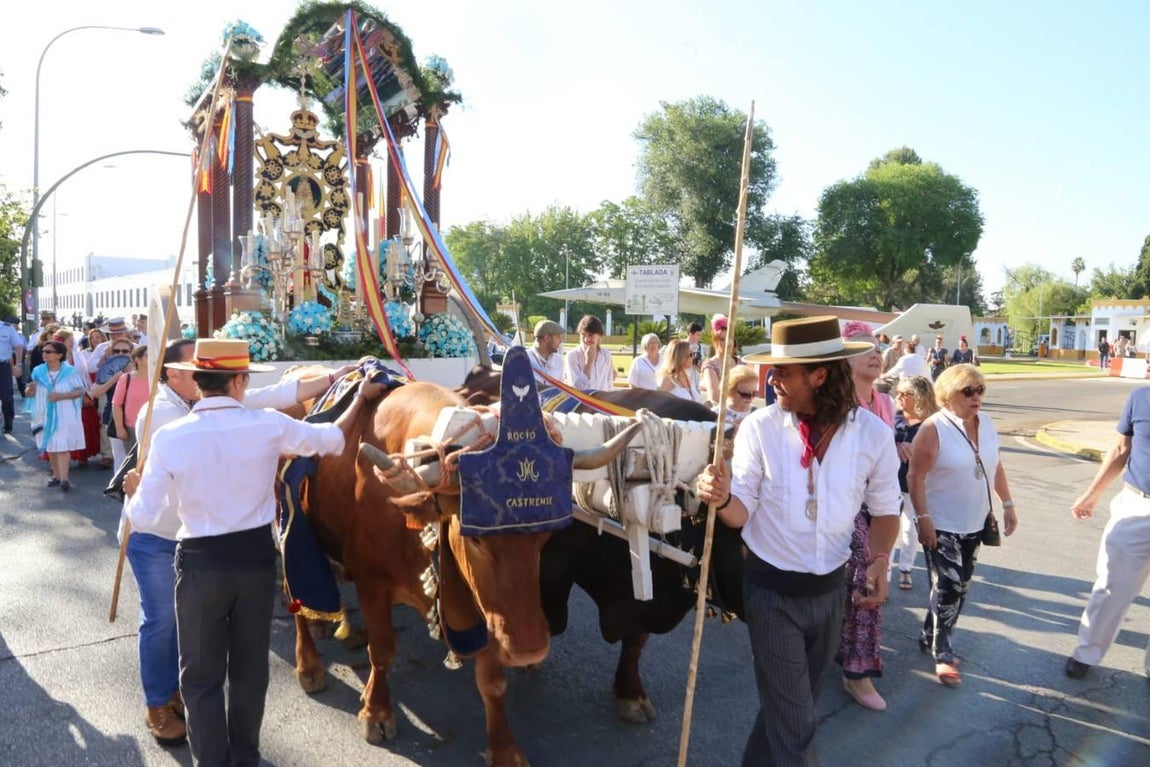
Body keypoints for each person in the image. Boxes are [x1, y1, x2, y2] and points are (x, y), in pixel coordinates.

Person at [124, 339, 378, 765]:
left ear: (199, 381)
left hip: (200, 563)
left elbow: (145, 519)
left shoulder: (169, 436)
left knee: (201, 676)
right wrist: (359, 399)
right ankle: (245, 757)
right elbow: (333, 439)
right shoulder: (268, 425)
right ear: (239, 381)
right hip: (254, 561)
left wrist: (133, 494)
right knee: (249, 671)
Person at [695, 315, 900, 766]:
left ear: (819, 375)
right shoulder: (760, 428)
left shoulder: (874, 435)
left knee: (789, 708)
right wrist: (722, 495)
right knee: (796, 722)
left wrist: (880, 559)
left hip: (831, 594)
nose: (773, 382)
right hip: (771, 594)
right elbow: (740, 511)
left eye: (783, 372)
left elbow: (886, 509)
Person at [907, 363, 1018, 687]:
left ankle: (930, 633)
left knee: (960, 585)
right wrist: (923, 519)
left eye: (980, 390)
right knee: (949, 585)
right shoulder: (933, 428)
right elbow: (915, 476)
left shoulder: (988, 423)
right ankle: (943, 652)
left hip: (975, 520)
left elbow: (994, 466)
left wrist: (1008, 504)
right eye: (967, 391)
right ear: (947, 394)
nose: (976, 397)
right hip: (940, 523)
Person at [1065, 382, 1150, 679]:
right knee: (1112, 584)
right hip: (1138, 506)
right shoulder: (1141, 397)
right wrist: (1092, 494)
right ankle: (1086, 652)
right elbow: (1120, 449)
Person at [837, 320, 895, 711]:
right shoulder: (834, 404)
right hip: (841, 502)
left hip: (879, 502)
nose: (874, 353)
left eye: (876, 346)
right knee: (862, 571)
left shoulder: (886, 403)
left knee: (873, 569)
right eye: (862, 348)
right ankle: (855, 672)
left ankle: (855, 667)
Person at [891, 375, 939, 589]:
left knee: (911, 527)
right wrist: (896, 447)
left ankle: (905, 568)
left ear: (919, 397)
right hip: (890, 481)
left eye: (904, 394)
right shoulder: (893, 417)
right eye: (898, 393)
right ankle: (884, 574)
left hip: (916, 484)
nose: (898, 397)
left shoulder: (932, 424)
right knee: (888, 526)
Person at [26, 340, 86, 490]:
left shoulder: (70, 371)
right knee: (51, 444)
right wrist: (30, 390)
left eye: (48, 352)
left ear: (59, 355)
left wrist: (61, 396)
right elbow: (29, 394)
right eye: (43, 351)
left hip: (65, 412)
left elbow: (80, 391)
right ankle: (56, 476)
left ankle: (64, 479)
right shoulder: (38, 371)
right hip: (44, 412)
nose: (44, 354)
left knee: (62, 445)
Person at [112, 345, 150, 452]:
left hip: (155, 426)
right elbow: (116, 404)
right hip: (132, 428)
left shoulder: (160, 379)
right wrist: (119, 428)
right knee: (134, 465)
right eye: (148, 356)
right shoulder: (126, 378)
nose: (153, 358)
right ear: (138, 360)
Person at [564, 314, 615, 390]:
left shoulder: (606, 355)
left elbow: (609, 384)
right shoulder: (572, 356)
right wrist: (588, 362)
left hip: (602, 401)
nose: (586, 339)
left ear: (600, 335)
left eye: (590, 335)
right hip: (583, 401)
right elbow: (576, 389)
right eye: (583, 335)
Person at [700, 314, 741, 407]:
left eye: (729, 338)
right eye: (722, 339)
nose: (727, 342)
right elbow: (714, 397)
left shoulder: (739, 362)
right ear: (715, 341)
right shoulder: (710, 365)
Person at [1, 315, 25, 434]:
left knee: (6, 398)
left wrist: (19, 365)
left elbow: (19, 345)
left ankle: (8, 423)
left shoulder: (6, 328)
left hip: (3, 367)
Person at [527, 319, 565, 388]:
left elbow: (560, 390)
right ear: (547, 338)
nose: (561, 341)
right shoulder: (525, 359)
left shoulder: (558, 360)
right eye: (558, 336)